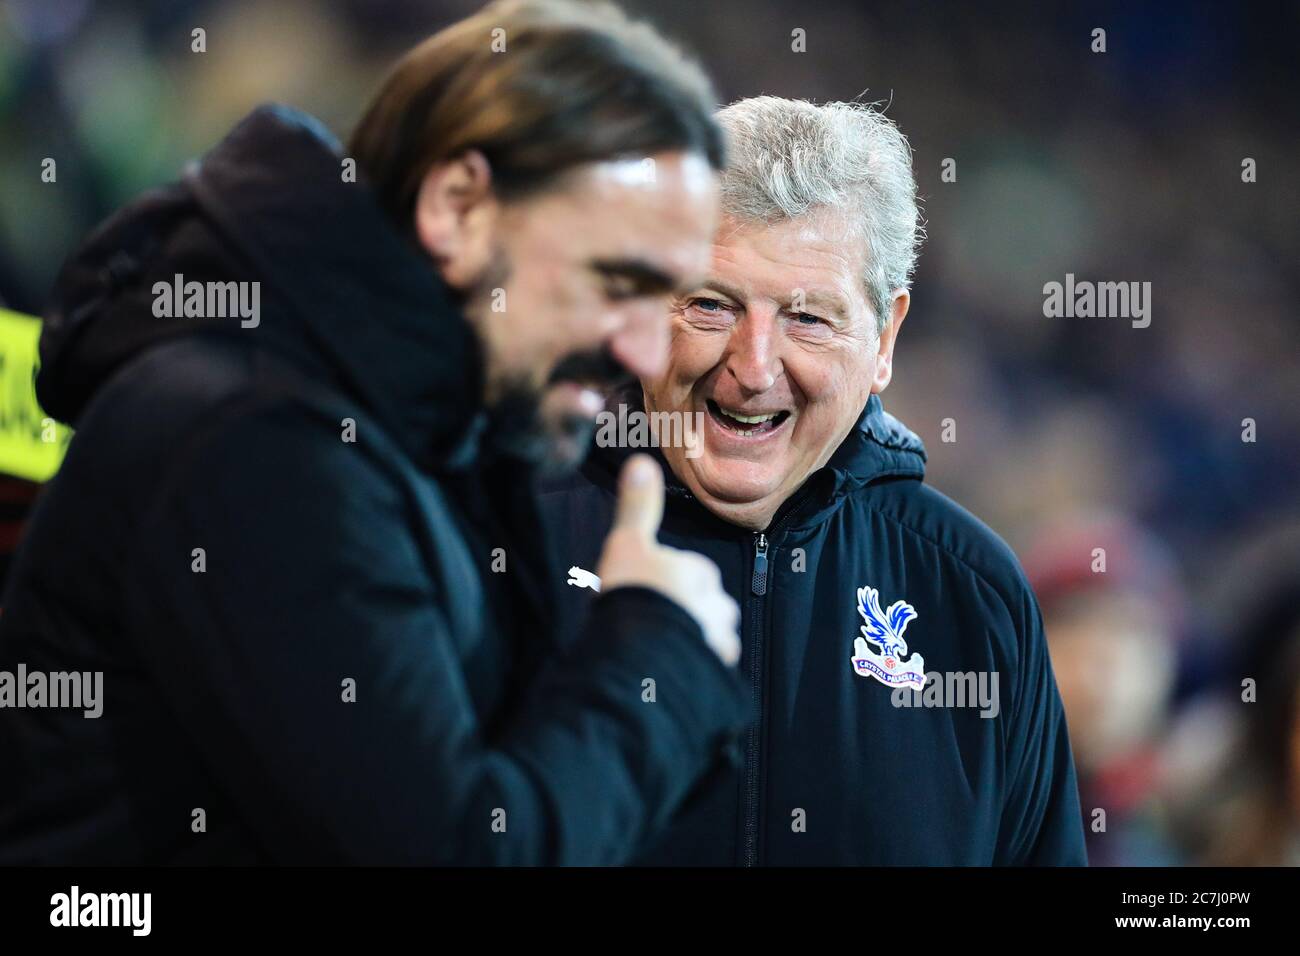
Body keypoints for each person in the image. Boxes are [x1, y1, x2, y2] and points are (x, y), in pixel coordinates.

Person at [0, 0, 749, 865]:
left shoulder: (427, 433)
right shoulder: (257, 442)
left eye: (672, 301)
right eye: (617, 281)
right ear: (459, 206)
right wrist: (656, 657)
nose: (645, 351)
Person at [543, 96, 1088, 864]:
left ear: (885, 338)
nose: (753, 368)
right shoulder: (500, 539)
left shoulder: (974, 597)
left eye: (808, 320)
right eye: (710, 305)